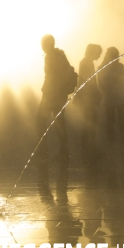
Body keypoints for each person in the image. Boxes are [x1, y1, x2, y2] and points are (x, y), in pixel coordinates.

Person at [36, 34, 75, 162]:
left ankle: (44, 152)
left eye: (42, 44)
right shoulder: (61, 55)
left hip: (51, 95)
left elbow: (50, 77)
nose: (42, 47)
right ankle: (64, 151)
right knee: (59, 122)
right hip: (61, 94)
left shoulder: (50, 57)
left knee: (40, 122)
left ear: (47, 44)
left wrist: (45, 90)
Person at [75, 44, 102, 163]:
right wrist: (96, 93)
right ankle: (88, 149)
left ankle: (87, 147)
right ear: (93, 52)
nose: (99, 55)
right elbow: (87, 80)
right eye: (98, 52)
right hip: (87, 97)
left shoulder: (86, 62)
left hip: (87, 96)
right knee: (90, 121)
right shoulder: (86, 63)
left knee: (90, 121)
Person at [98, 47, 124, 147]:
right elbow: (101, 85)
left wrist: (118, 78)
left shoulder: (121, 66)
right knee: (110, 123)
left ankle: (123, 145)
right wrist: (112, 80)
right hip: (109, 99)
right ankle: (111, 146)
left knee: (122, 123)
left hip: (122, 99)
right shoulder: (101, 68)